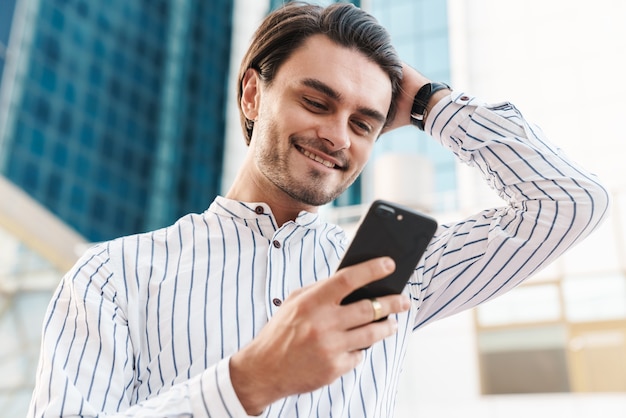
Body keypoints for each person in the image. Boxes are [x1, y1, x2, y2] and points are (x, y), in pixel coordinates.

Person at [28, 2, 609, 417]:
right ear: (253, 93)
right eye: (316, 101)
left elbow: (572, 202)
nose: (338, 136)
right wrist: (249, 382)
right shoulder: (111, 276)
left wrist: (433, 104)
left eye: (364, 123)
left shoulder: (396, 274)